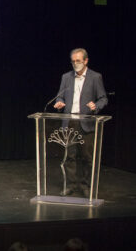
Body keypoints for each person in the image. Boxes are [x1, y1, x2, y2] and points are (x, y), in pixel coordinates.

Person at [53, 48, 107, 196]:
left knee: (87, 157)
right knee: (69, 157)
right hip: (69, 122)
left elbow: (103, 98)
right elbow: (60, 96)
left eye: (78, 61)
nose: (75, 64)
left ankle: (85, 186)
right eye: (73, 61)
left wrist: (96, 106)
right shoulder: (66, 77)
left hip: (86, 122)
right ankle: (70, 185)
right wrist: (59, 102)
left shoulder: (95, 77)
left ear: (86, 61)